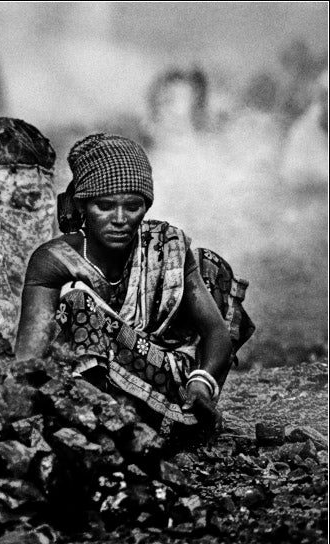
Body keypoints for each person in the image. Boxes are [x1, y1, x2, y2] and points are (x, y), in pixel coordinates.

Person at [14, 133, 254, 431]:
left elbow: (215, 331)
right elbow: (30, 354)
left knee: (211, 266)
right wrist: (15, 400)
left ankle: (178, 418)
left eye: (132, 206)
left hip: (171, 379)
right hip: (91, 387)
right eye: (104, 206)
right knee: (77, 304)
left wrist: (202, 383)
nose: (120, 219)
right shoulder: (54, 259)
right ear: (82, 205)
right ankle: (101, 418)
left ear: (146, 206)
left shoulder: (166, 246)